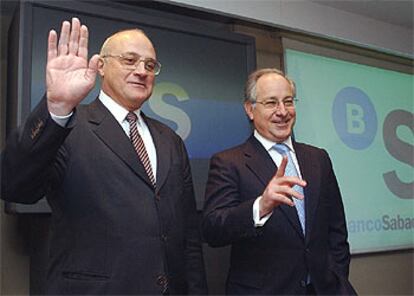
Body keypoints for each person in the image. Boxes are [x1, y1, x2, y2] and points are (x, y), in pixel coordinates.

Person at [1, 18, 207, 295]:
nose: (141, 71)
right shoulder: (68, 126)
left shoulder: (170, 140)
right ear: (100, 66)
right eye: (130, 60)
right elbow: (14, 186)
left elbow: (188, 236)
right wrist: (58, 107)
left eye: (149, 65)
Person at [202, 68, 356, 295]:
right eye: (271, 103)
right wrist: (260, 207)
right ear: (249, 109)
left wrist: (337, 276)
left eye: (288, 101)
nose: (283, 111)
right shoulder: (229, 162)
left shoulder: (318, 158)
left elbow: (336, 230)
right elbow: (213, 230)